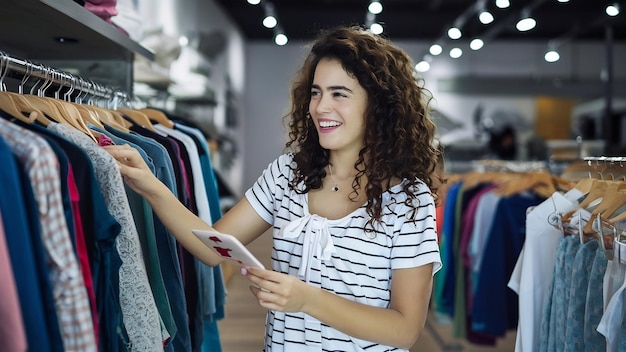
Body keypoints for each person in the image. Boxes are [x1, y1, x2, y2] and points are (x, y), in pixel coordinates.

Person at [104, 25, 442, 351]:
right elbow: (212, 247)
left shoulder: (408, 201)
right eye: (316, 92)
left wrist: (306, 299)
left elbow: (404, 329)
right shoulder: (288, 173)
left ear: (379, 105)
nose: (321, 108)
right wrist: (151, 185)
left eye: (339, 94)